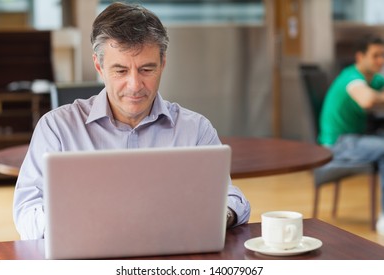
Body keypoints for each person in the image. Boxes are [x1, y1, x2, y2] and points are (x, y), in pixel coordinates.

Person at [13, 2, 251, 240]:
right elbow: (26, 212)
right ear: (99, 66)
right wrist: (82, 223)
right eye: (121, 71)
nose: (135, 85)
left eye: (147, 69)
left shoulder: (195, 129)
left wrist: (221, 215)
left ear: (163, 64)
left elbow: (230, 198)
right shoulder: (57, 128)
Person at [318, 34, 384, 235]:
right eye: (375, 56)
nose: (380, 61)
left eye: (383, 55)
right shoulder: (352, 78)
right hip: (337, 145)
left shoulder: (374, 79)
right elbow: (366, 101)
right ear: (360, 57)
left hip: (355, 140)